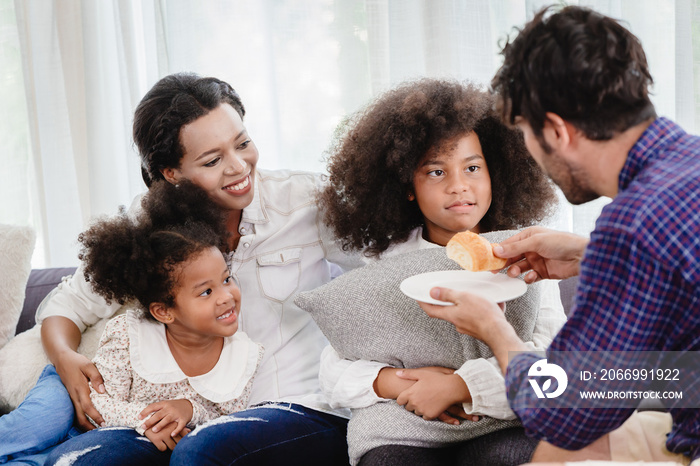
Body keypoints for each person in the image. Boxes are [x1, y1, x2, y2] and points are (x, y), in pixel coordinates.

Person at [419, 5, 700, 464]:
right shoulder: (687, 162)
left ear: (556, 130)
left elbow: (564, 410)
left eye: (527, 133)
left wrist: (495, 328)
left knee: (557, 441)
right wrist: (591, 255)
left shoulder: (632, 226)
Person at [37, 73, 362, 466]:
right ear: (171, 173)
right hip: (180, 422)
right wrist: (64, 357)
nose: (239, 166)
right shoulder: (150, 224)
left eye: (243, 143)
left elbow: (393, 264)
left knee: (202, 451)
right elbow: (67, 305)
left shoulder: (306, 201)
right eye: (212, 160)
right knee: (83, 460)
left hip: (299, 408)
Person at [318, 78, 565, 465]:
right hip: (405, 423)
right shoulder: (384, 262)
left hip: (502, 419)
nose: (458, 186)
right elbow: (334, 369)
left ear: (494, 173)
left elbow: (554, 363)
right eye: (436, 172)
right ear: (407, 185)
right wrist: (389, 381)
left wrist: (460, 386)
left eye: (472, 167)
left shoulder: (529, 255)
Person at [32, 180, 262, 463]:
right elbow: (97, 404)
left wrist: (189, 410)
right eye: (206, 291)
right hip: (84, 418)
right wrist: (150, 421)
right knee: (42, 420)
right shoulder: (128, 336)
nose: (226, 296)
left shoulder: (243, 355)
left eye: (226, 279)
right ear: (164, 312)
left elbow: (226, 421)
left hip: (142, 447)